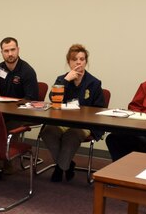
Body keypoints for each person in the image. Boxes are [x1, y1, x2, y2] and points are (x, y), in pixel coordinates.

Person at [39, 43, 106, 182]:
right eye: (74, 59)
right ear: (69, 62)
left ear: (86, 62)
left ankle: (60, 168)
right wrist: (66, 81)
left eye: (82, 59)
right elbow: (52, 98)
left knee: (71, 136)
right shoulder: (62, 79)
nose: (78, 62)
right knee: (48, 132)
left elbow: (100, 109)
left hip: (84, 124)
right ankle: (68, 165)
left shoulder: (94, 83)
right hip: (62, 121)